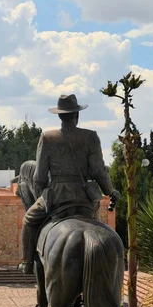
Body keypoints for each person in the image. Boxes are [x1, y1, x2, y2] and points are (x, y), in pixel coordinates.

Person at [18, 94, 120, 275]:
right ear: (77, 115)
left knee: (29, 220)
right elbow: (98, 171)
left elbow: (39, 178)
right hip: (85, 199)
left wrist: (45, 192)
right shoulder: (90, 137)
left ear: (60, 116)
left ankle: (26, 263)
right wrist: (110, 190)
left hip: (56, 197)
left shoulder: (47, 137)